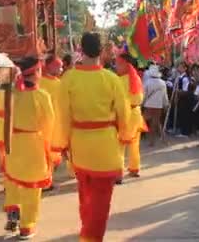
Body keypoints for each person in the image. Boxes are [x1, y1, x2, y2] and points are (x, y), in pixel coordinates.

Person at [55, 32, 132, 242]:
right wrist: (125, 134)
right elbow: (124, 113)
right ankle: (91, 237)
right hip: (105, 145)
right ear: (102, 51)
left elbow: (62, 115)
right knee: (101, 200)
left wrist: (61, 143)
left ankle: (86, 234)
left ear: (80, 48)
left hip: (80, 145)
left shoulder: (68, 78)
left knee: (85, 196)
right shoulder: (111, 79)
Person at [3, 57, 55, 239]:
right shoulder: (42, 96)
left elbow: (3, 120)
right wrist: (50, 149)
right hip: (34, 143)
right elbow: (49, 125)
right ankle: (27, 226)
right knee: (32, 188)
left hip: (14, 142)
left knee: (13, 180)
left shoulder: (11, 95)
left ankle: (13, 213)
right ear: (35, 73)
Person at [115, 52, 147, 179]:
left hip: (125, 114)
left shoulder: (119, 80)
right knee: (134, 144)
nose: (116, 67)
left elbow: (116, 101)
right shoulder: (137, 78)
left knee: (120, 145)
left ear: (124, 65)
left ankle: (118, 174)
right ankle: (135, 168)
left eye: (118, 64)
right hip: (136, 114)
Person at [39, 54, 64, 190]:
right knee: (47, 154)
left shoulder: (56, 83)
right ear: (50, 67)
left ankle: (46, 180)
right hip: (50, 124)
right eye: (58, 67)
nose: (61, 70)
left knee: (47, 155)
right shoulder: (53, 84)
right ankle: (45, 181)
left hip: (47, 124)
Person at [142, 65, 169, 146]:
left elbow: (144, 95)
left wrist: (142, 103)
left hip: (148, 104)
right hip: (158, 105)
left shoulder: (147, 82)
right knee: (155, 123)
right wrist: (166, 104)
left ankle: (134, 136)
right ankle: (155, 141)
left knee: (143, 120)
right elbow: (165, 96)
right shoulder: (163, 83)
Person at [174, 62, 194, 137]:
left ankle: (185, 132)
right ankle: (183, 130)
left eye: (181, 67)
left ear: (185, 68)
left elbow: (185, 90)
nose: (179, 68)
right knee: (182, 114)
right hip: (181, 98)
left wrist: (177, 91)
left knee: (185, 115)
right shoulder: (180, 77)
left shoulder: (185, 78)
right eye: (179, 67)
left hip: (185, 99)